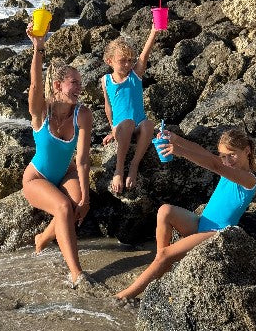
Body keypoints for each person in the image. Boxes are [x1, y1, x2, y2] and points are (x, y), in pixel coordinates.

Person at [115, 127, 256, 300]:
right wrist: (175, 138)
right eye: (223, 156)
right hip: (201, 223)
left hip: (215, 234)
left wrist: (180, 151)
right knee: (165, 210)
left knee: (165, 254)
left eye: (232, 154)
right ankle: (162, 268)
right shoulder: (229, 165)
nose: (227, 160)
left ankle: (123, 297)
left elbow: (213, 164)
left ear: (247, 150)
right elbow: (203, 153)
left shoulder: (249, 179)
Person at [22, 23, 93, 288]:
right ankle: (77, 273)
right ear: (58, 85)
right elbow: (34, 85)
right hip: (36, 178)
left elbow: (83, 160)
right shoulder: (42, 111)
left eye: (80, 83)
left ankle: (42, 238)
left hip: (66, 173)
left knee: (74, 204)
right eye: (74, 82)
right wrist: (38, 49)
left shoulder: (83, 114)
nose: (79, 87)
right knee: (63, 207)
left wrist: (85, 197)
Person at [102, 26, 158, 194]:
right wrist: (112, 129)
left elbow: (145, 54)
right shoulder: (106, 80)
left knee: (149, 124)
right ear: (110, 61)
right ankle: (119, 169)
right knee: (126, 123)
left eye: (129, 60)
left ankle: (134, 165)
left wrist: (153, 31)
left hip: (139, 123)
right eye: (122, 60)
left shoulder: (135, 75)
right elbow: (108, 106)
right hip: (121, 126)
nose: (127, 64)